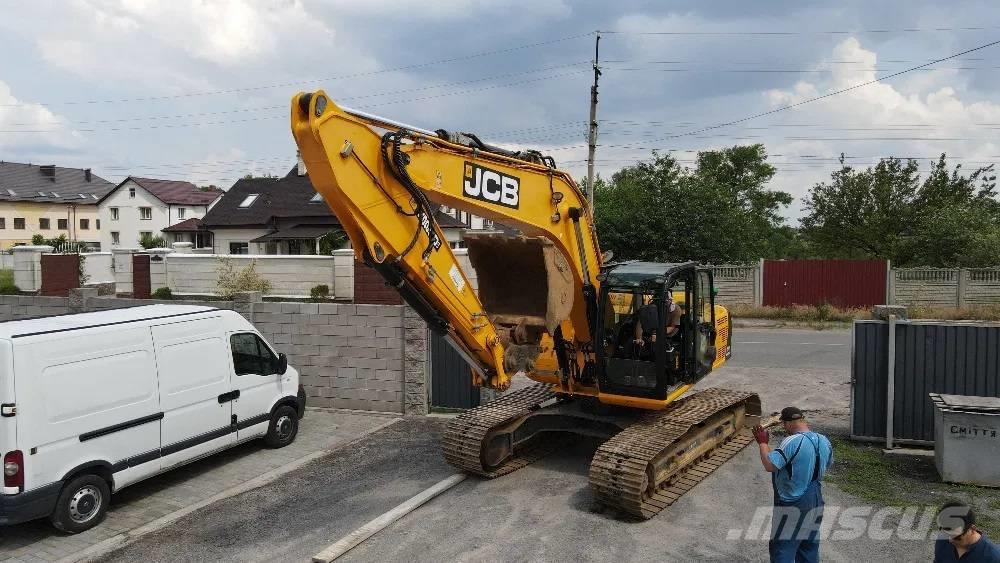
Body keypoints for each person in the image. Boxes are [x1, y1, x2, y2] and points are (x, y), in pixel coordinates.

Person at [752, 407, 833, 563]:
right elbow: (826, 464)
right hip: (816, 498)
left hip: (794, 501)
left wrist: (763, 442)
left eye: (784, 424)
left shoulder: (792, 441)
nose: (784, 428)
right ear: (802, 420)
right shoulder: (824, 440)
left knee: (783, 548)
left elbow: (770, 465)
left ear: (788, 423)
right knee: (808, 546)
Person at [935, 501, 1000, 562]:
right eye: (946, 534)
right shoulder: (942, 539)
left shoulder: (993, 558)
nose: (949, 540)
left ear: (972, 529)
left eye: (957, 537)